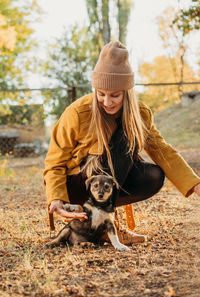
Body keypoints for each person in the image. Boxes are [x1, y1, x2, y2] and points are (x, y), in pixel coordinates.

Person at [44, 41, 200, 245]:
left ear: (127, 92)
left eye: (115, 95)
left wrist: (195, 184)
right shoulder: (78, 113)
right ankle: (95, 226)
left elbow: (162, 151)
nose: (107, 102)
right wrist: (56, 198)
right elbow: (54, 161)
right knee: (118, 144)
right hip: (76, 184)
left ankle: (102, 224)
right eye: (101, 94)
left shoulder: (139, 114)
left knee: (152, 174)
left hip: (108, 184)